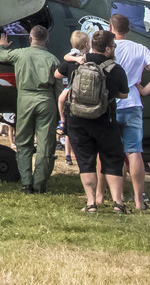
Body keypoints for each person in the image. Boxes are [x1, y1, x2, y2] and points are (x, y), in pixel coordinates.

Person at [58, 30, 131, 213]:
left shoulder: (76, 62)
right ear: (108, 49)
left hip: (77, 120)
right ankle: (118, 203)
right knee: (112, 159)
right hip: (104, 120)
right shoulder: (115, 68)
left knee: (85, 161)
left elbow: (57, 74)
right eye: (113, 46)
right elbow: (124, 94)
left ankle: (91, 203)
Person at [109, 13, 150, 210]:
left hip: (112, 102)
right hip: (133, 101)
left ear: (110, 28)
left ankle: (117, 197)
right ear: (128, 29)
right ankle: (138, 200)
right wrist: (145, 90)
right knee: (134, 152)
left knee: (113, 152)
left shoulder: (108, 48)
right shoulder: (140, 48)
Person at [0, 25, 60, 194]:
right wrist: (60, 111)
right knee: (46, 144)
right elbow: (59, 89)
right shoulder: (53, 60)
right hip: (47, 100)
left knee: (23, 141)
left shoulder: (20, 54)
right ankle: (39, 184)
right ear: (47, 39)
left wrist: (2, 46)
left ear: (30, 38)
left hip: (25, 99)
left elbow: (2, 57)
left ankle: (26, 182)